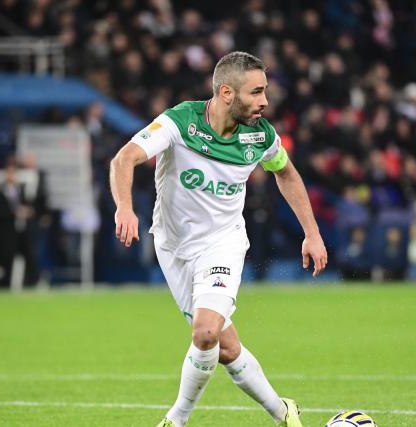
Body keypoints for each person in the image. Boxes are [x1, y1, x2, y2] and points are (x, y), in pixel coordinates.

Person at [109, 51, 327, 427]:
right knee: (224, 347)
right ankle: (283, 411)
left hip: (222, 244)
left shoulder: (261, 135)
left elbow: (286, 173)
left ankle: (175, 420)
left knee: (206, 331)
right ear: (227, 93)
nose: (265, 101)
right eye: (256, 92)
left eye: (265, 91)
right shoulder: (181, 122)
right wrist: (124, 208)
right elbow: (124, 159)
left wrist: (312, 233)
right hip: (172, 246)